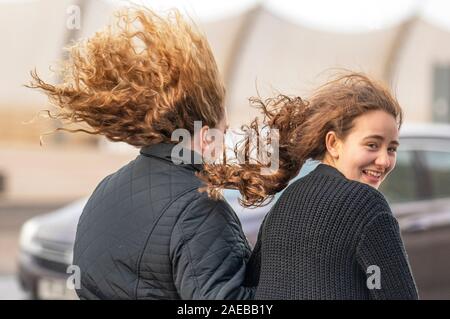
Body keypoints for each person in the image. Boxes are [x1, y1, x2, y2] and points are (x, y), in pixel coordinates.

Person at [29, 7, 254, 300]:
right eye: (224, 130)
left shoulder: (106, 189)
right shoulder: (201, 208)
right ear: (206, 130)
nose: (224, 143)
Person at [200, 72, 419, 299]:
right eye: (372, 145)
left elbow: (257, 287)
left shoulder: (287, 200)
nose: (384, 160)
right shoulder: (366, 203)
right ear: (333, 143)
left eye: (392, 148)